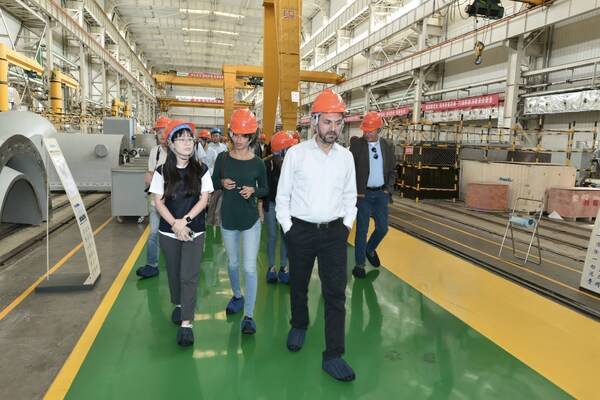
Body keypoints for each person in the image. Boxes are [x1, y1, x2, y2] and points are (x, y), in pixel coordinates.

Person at [276, 88, 357, 381]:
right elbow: (282, 196)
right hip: (301, 232)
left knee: (335, 293)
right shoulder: (296, 155)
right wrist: (289, 229)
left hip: (334, 233)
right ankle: (299, 323)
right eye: (327, 122)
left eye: (338, 123)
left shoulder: (346, 158)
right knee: (298, 284)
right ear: (314, 122)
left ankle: (333, 354)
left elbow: (350, 196)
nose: (333, 129)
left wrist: (346, 225)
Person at [149, 119, 213, 346]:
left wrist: (183, 221)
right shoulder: (161, 171)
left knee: (189, 275)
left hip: (194, 231)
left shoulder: (202, 170)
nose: (187, 143)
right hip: (168, 232)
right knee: (174, 273)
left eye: (190, 139)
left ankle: (187, 324)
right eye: (181, 139)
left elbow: (204, 199)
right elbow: (158, 202)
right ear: (171, 144)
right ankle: (178, 303)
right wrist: (174, 225)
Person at [212, 108, 268, 335]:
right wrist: (222, 182)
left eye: (244, 135)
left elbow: (265, 189)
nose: (239, 139)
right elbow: (214, 181)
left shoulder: (258, 163)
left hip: (250, 220)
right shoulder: (222, 158)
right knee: (233, 264)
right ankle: (237, 295)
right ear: (230, 133)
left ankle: (249, 315)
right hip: (229, 218)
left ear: (251, 137)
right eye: (235, 134)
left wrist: (254, 190)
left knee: (249, 267)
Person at [349, 112, 396, 278]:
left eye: (370, 131)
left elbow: (392, 171)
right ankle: (359, 265)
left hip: (381, 195)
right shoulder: (356, 147)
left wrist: (387, 190)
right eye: (365, 130)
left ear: (378, 130)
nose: (366, 133)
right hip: (363, 195)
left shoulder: (387, 146)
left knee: (383, 228)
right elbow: (349, 171)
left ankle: (370, 249)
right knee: (361, 231)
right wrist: (354, 192)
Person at [136, 115, 169, 279]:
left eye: (165, 131)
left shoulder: (180, 151)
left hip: (174, 203)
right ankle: (152, 265)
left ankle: (178, 264)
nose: (162, 135)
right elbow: (150, 171)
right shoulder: (155, 152)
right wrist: (148, 176)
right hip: (156, 200)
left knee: (174, 235)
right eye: (159, 132)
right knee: (154, 233)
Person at [263, 131, 298, 284]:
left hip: (288, 206)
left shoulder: (294, 163)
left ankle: (284, 267)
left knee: (285, 236)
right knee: (272, 236)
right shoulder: (266, 164)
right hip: (271, 203)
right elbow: (264, 188)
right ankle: (271, 267)